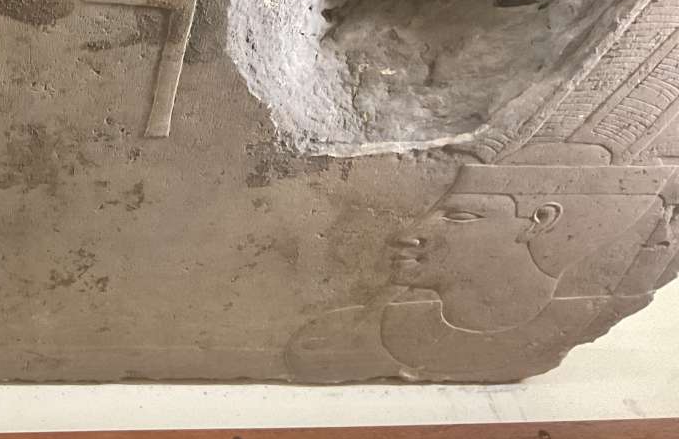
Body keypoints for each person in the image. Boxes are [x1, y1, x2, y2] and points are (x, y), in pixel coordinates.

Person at [286, 163, 675, 382]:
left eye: (458, 217)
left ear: (539, 222)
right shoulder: (344, 329)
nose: (407, 235)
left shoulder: (578, 310)